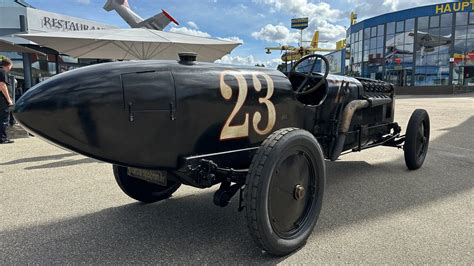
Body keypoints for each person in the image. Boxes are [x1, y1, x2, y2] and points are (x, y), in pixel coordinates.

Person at [0, 57, 14, 144]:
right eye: (10, 67)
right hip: (2, 99)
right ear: (8, 65)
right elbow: (2, 85)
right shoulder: (2, 71)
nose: (10, 69)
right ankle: (2, 138)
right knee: (4, 119)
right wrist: (9, 100)